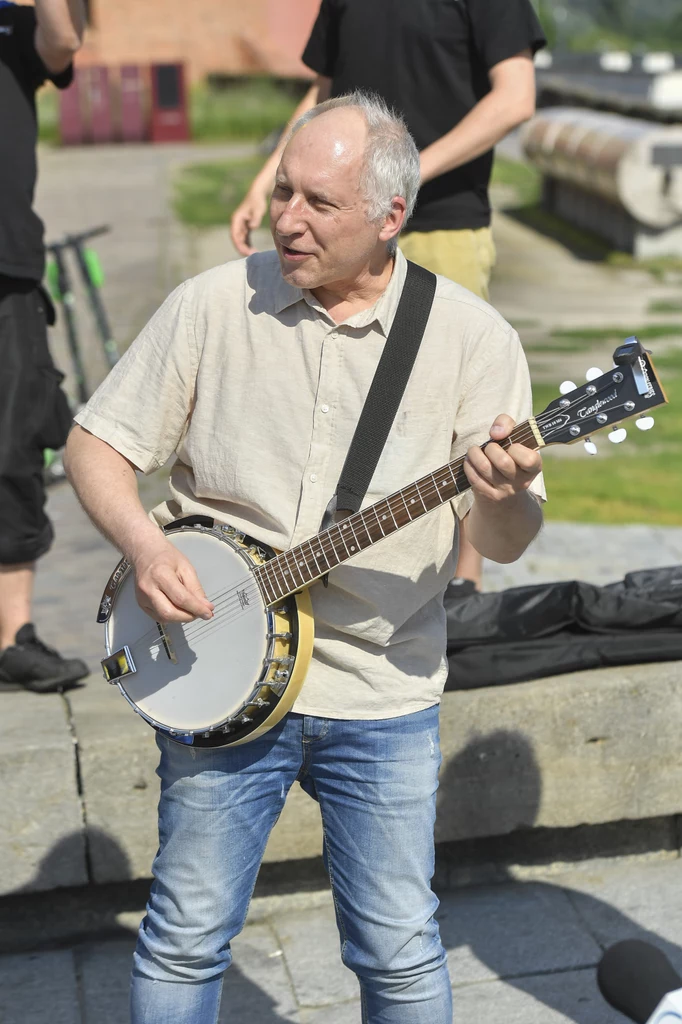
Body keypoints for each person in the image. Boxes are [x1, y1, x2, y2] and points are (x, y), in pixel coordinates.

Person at [65, 94, 545, 1022]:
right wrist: (145, 542)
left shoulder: (473, 339)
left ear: (390, 218)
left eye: (320, 203)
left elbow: (506, 543)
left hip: (382, 690)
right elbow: (97, 445)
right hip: (212, 667)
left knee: (401, 951)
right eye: (284, 190)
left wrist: (506, 493)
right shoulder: (214, 302)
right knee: (184, 938)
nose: (287, 217)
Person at [231, 0, 546, 592]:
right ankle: (320, 578)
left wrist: (402, 179)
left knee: (453, 422)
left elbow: (515, 98)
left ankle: (462, 589)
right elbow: (323, 99)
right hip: (343, 221)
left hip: (443, 223)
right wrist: (266, 181)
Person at [0, 0, 87, 693]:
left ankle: (12, 638)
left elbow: (62, 39)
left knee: (15, 448)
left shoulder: (14, 24)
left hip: (8, 272)